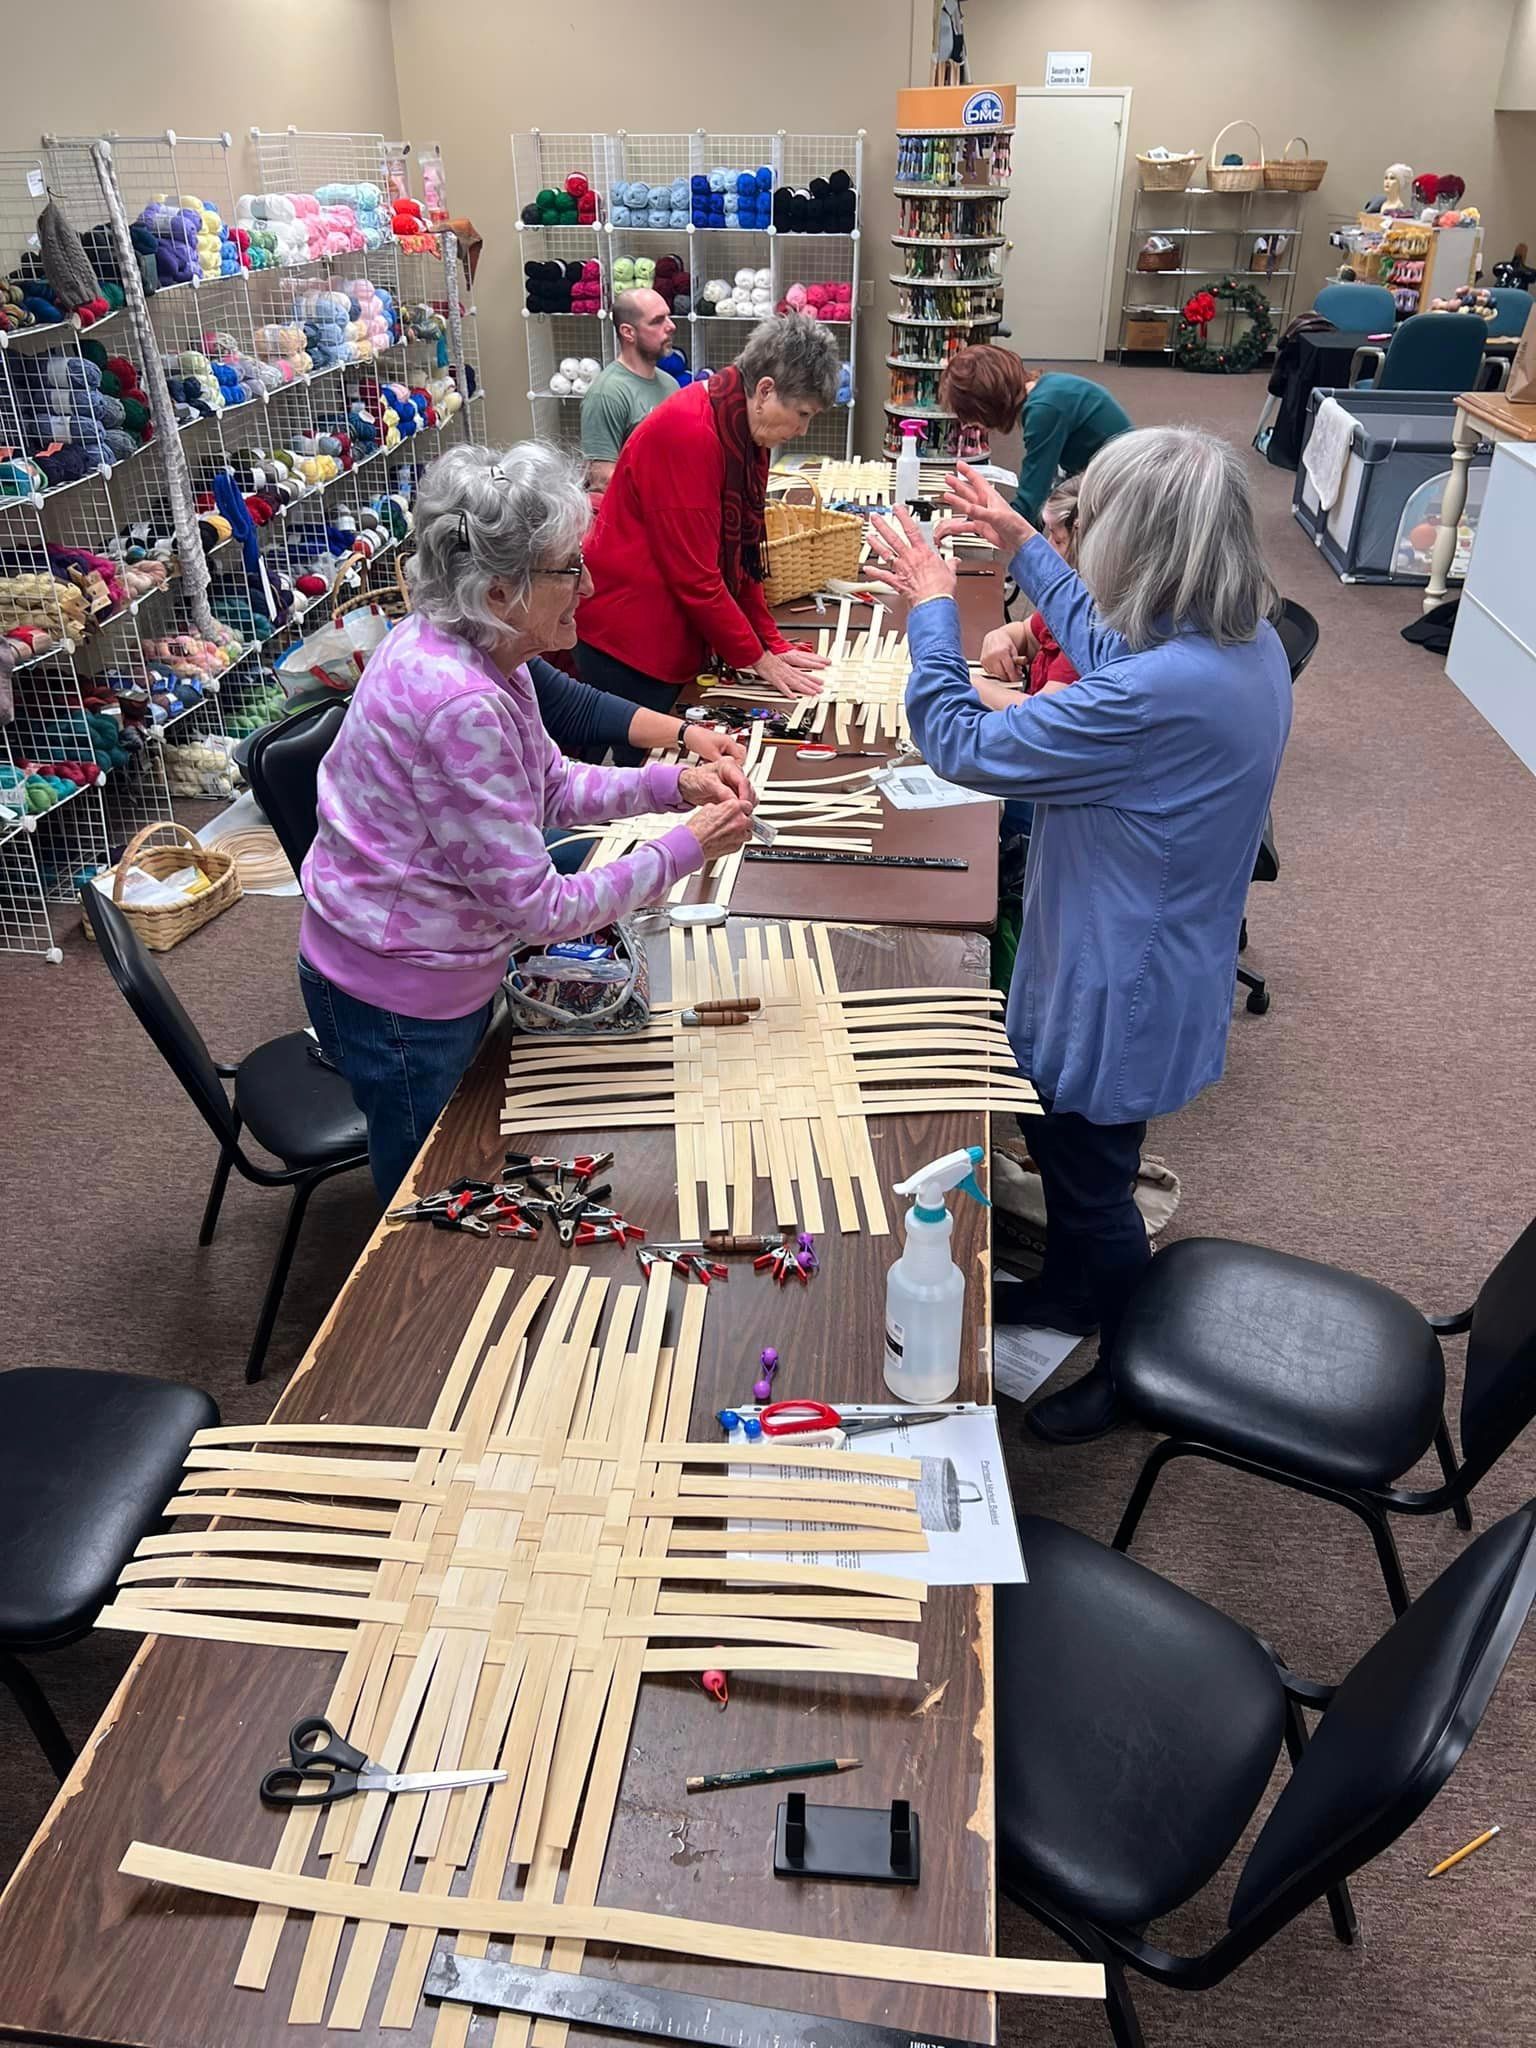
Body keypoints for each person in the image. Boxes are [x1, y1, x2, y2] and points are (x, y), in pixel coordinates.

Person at [867, 429, 1292, 1445]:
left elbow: (959, 739)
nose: (1087, 537)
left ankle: (1136, 1368)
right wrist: (1023, 546)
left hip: (1118, 979)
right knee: (1077, 1158)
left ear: (1145, 546)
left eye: (1097, 524)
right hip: (1156, 949)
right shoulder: (1239, 642)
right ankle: (1065, 1292)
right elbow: (1111, 656)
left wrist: (933, 606)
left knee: (1094, 1179)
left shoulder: (1162, 691)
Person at [300, 442, 755, 1199]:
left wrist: (674, 783)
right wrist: (685, 848)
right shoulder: (460, 701)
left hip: (409, 967)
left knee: (456, 1179)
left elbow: (547, 784)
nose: (590, 582)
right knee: (430, 1207)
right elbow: (540, 911)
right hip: (399, 995)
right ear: (501, 588)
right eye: (569, 567)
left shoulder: (473, 651)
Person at [575, 311, 839, 733]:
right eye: (803, 414)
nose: (803, 430)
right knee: (649, 776)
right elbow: (696, 576)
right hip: (631, 641)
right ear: (766, 390)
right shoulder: (692, 432)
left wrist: (768, 642)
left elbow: (744, 555)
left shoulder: (741, 424)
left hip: (669, 628)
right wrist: (757, 658)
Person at [939, 345, 1132, 530]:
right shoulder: (1048, 389)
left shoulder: (1044, 411)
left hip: (1124, 492)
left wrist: (977, 524)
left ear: (985, 403)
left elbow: (1031, 499)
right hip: (1113, 478)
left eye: (969, 415)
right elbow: (1043, 489)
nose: (967, 424)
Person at [579, 288, 678, 496]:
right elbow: (602, 479)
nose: (671, 326)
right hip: (637, 521)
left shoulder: (670, 384)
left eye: (668, 317)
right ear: (628, 332)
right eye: (657, 321)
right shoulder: (607, 394)